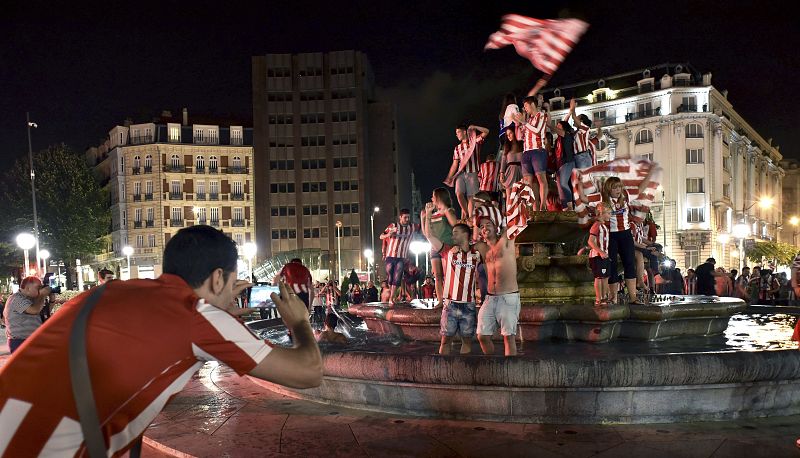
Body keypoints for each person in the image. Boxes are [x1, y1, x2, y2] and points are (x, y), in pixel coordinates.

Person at [0, 225, 322, 456]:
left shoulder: (106, 293)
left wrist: (223, 317)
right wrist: (299, 322)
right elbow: (309, 372)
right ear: (218, 278)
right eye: (232, 282)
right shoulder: (196, 316)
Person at [424, 205, 481, 355]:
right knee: (445, 340)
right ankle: (444, 371)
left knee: (467, 341)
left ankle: (463, 372)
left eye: (455, 232)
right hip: (450, 303)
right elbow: (429, 236)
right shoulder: (448, 251)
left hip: (468, 303)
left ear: (465, 234)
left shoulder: (477, 253)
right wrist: (428, 215)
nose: (452, 235)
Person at [474, 211, 521, 356]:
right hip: (490, 298)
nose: (484, 228)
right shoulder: (482, 248)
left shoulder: (506, 239)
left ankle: (510, 372)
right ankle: (493, 368)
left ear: (496, 227)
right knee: (482, 336)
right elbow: (464, 245)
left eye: (488, 225)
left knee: (508, 337)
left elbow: (515, 220)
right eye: (482, 226)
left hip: (508, 297)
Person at [599, 177, 647, 305]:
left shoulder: (625, 196)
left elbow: (640, 189)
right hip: (612, 235)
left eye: (619, 187)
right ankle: (613, 298)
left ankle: (633, 297)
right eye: (614, 187)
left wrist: (651, 175)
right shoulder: (604, 200)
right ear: (609, 189)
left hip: (625, 234)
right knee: (612, 266)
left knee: (630, 264)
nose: (618, 190)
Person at [421, 188, 459, 307]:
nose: (431, 198)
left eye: (433, 196)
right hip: (434, 247)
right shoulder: (431, 214)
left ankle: (451, 298)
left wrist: (446, 212)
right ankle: (440, 300)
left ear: (439, 197)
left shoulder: (448, 211)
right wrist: (425, 217)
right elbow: (426, 233)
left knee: (449, 274)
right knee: (437, 275)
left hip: (447, 246)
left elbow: (456, 226)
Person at [444, 124, 490, 219]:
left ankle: (468, 217)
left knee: (471, 197)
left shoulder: (474, 141)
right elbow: (455, 164)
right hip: (461, 174)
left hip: (472, 173)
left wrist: (475, 127)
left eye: (458, 132)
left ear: (464, 132)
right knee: (458, 193)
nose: (457, 135)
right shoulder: (457, 148)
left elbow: (486, 131)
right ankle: (468, 215)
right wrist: (449, 176)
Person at [515, 96, 549, 210]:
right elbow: (520, 137)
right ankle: (532, 207)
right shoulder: (528, 120)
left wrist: (524, 122)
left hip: (537, 150)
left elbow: (538, 131)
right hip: (526, 152)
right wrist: (518, 123)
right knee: (527, 182)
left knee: (540, 178)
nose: (524, 108)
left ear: (532, 104)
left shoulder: (541, 115)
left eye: (525, 106)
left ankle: (543, 206)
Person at [379, 209, 420, 303]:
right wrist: (389, 234)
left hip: (402, 257)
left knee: (397, 276)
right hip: (390, 255)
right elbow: (381, 236)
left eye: (408, 217)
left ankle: (392, 297)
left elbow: (423, 227)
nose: (407, 219)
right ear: (400, 217)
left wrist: (425, 215)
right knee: (390, 275)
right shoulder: (393, 226)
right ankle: (392, 293)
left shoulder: (412, 226)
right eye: (405, 217)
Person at [3, 276, 51, 354]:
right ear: (28, 288)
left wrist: (52, 301)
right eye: (38, 287)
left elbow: (42, 312)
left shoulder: (29, 299)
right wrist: (42, 295)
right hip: (20, 342)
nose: (40, 290)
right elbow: (34, 310)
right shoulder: (15, 299)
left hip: (31, 340)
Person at [588, 203, 611, 306]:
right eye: (609, 213)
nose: (610, 215)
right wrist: (601, 252)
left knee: (605, 276)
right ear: (601, 213)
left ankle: (604, 296)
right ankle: (599, 298)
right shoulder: (597, 225)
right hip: (597, 256)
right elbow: (590, 241)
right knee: (599, 277)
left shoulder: (603, 226)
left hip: (604, 256)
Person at [568, 99, 601, 169]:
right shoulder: (575, 133)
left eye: (577, 118)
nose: (574, 119)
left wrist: (573, 107)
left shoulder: (585, 128)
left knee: (583, 177)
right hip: (578, 157)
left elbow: (573, 116)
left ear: (581, 121)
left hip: (582, 156)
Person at [553, 120, 576, 211]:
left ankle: (570, 205)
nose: (557, 126)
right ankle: (565, 207)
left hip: (568, 162)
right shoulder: (557, 141)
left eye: (559, 125)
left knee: (563, 183)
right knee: (560, 188)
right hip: (559, 165)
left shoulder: (566, 135)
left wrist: (547, 124)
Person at [499, 125, 524, 197]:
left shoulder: (522, 145)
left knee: (520, 196)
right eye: (507, 135)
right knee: (509, 195)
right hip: (510, 172)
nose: (508, 136)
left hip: (521, 171)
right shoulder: (506, 147)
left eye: (510, 133)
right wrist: (501, 173)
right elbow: (503, 161)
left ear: (515, 133)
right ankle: (509, 208)